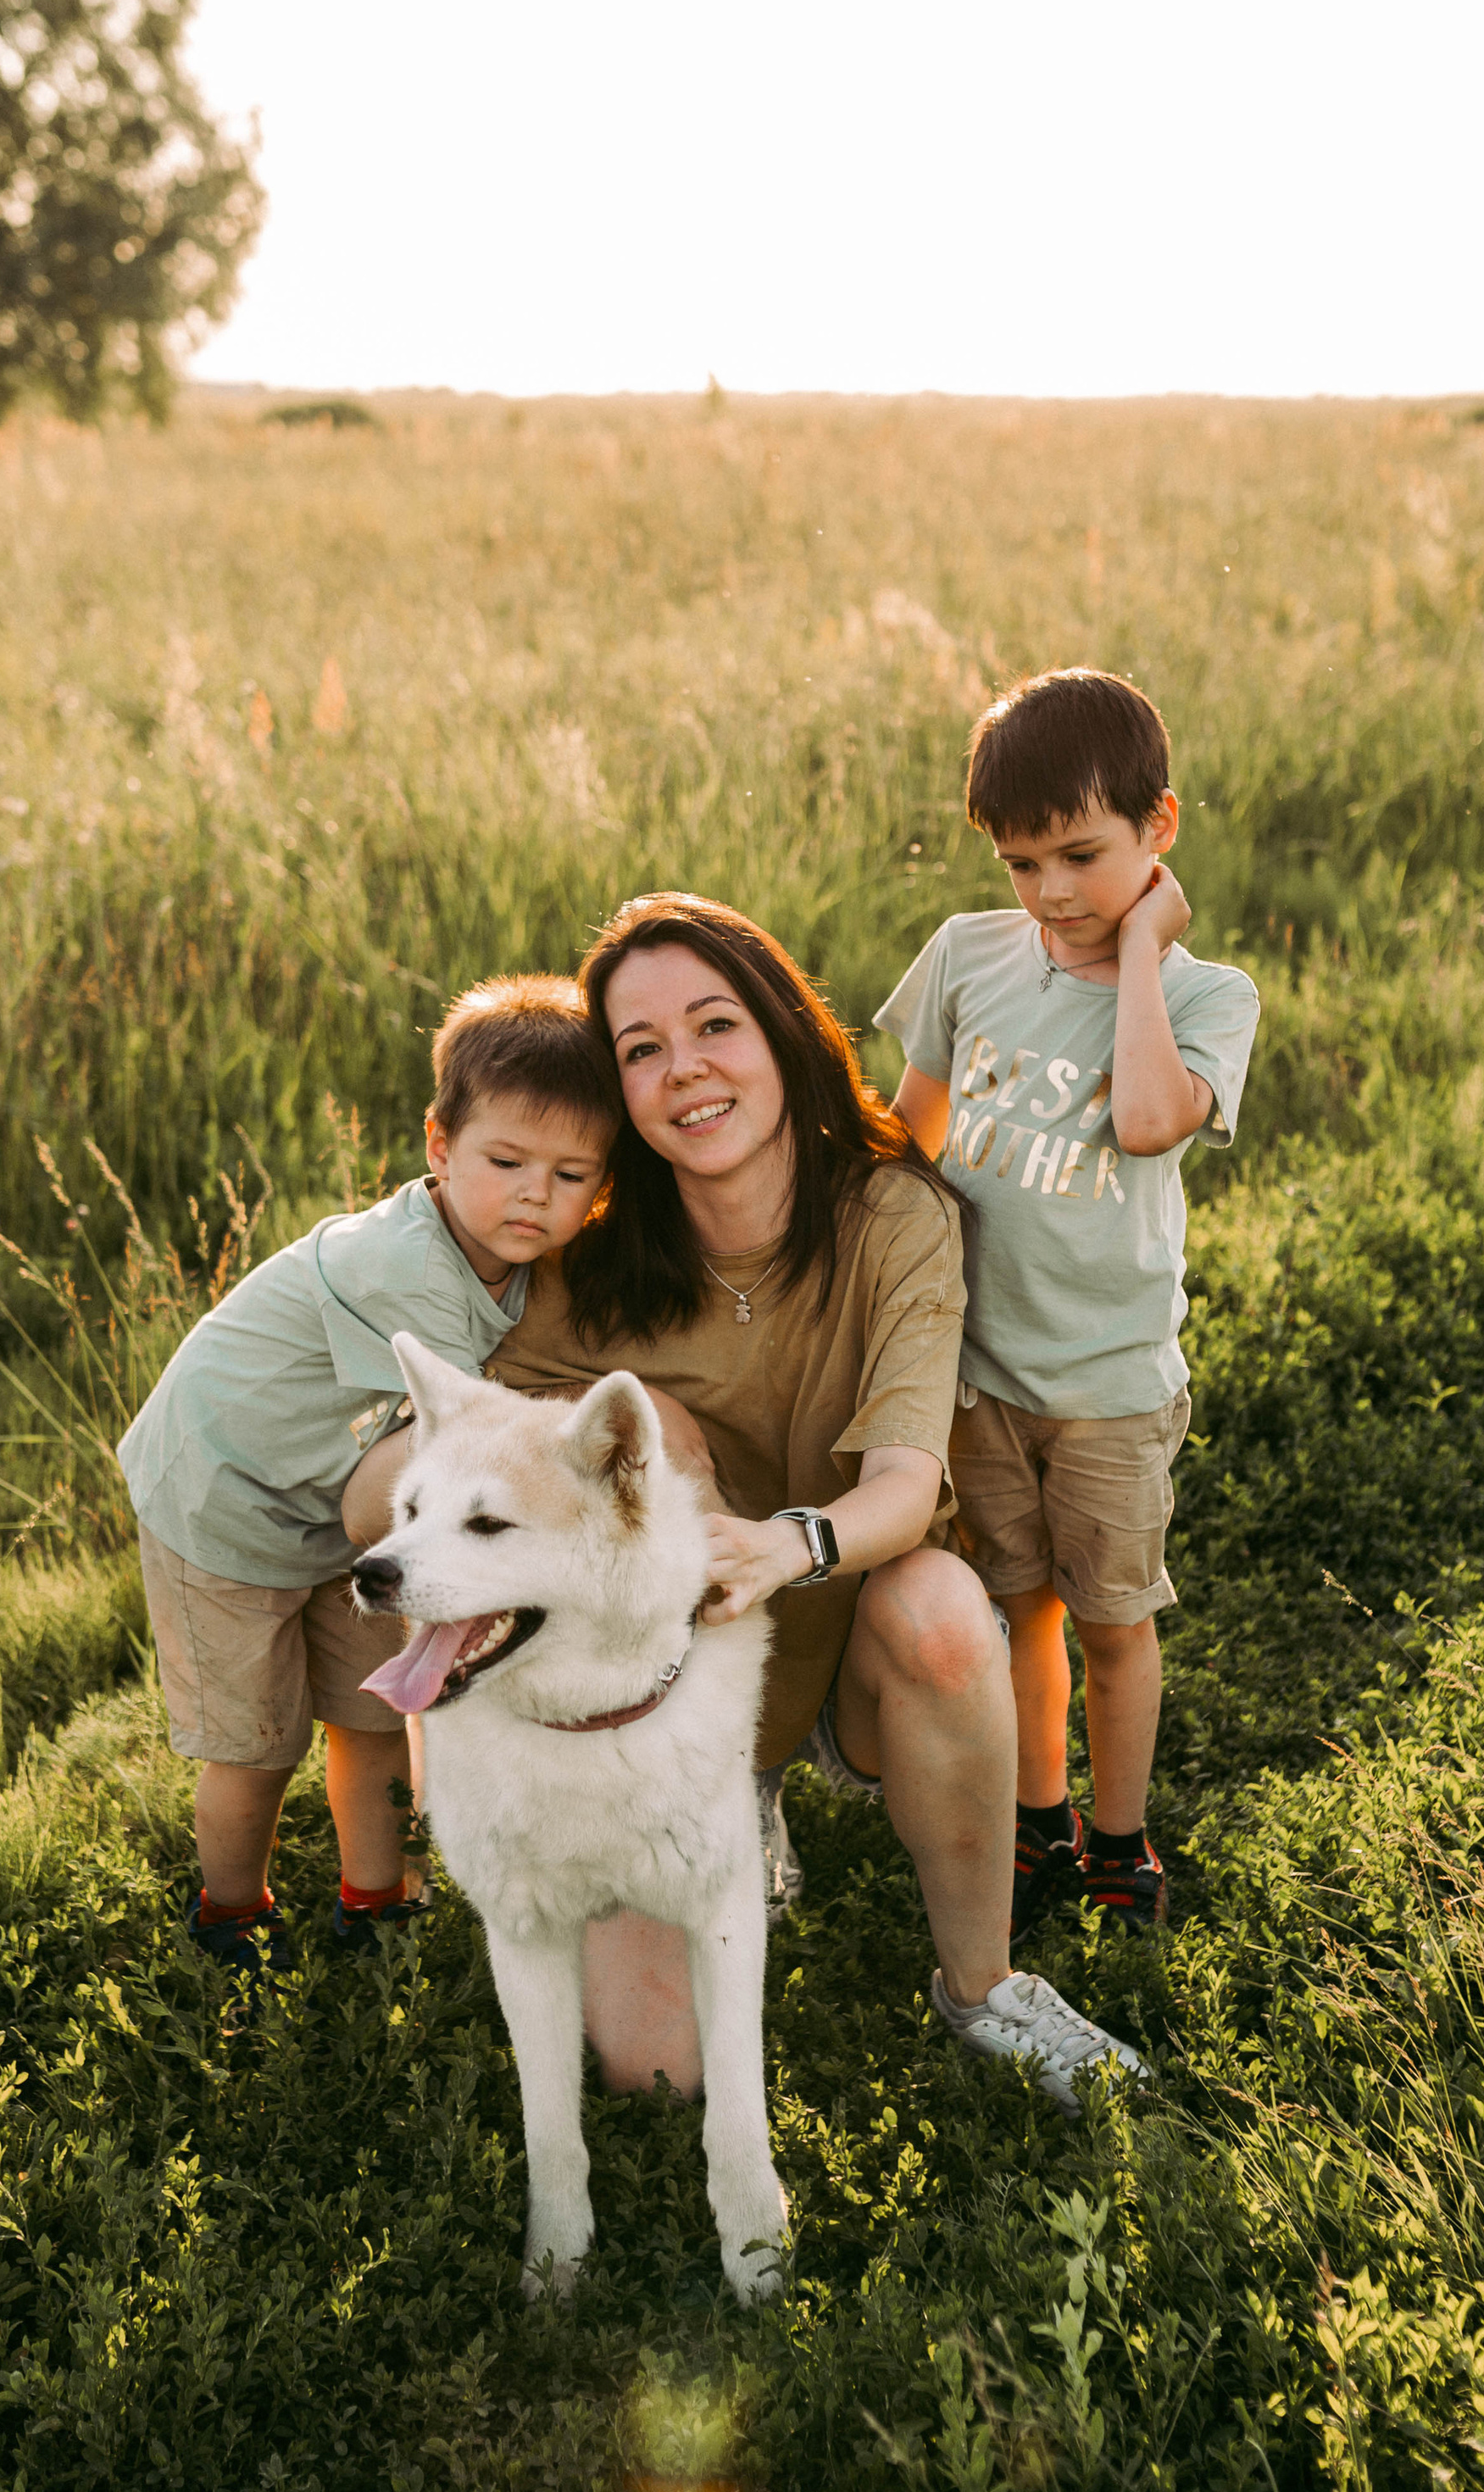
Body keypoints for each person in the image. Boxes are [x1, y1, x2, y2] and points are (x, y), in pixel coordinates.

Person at [365, 891, 1137, 2112]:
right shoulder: (580, 1257)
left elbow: (906, 1484)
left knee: (941, 1605)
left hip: (845, 1646)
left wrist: (788, 1546)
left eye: (715, 1024)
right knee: (657, 2074)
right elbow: (428, 1484)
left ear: (782, 1032)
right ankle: (728, 1802)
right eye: (641, 1051)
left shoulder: (895, 1216)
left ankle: (986, 1986)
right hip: (646, 1706)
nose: (687, 1071)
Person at [119, 974, 619, 1970]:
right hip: (223, 1500)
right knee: (256, 1747)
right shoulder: (408, 1268)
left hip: (336, 1502)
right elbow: (471, 1429)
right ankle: (229, 1918)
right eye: (506, 1161)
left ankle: (375, 1901)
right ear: (439, 1148)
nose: (534, 1194)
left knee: (376, 1715)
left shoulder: (512, 1257)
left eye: (570, 1177)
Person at [876, 668, 1260, 1946]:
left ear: (1160, 826)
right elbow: (908, 1141)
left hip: (1107, 1388)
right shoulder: (967, 957)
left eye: (1083, 855)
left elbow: (1150, 1120)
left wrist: (1141, 949)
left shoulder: (1209, 997)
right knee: (1018, 1609)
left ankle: (1119, 1836)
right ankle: (1042, 1815)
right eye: (1021, 860)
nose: (1050, 892)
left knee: (1111, 1625)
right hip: (983, 1377)